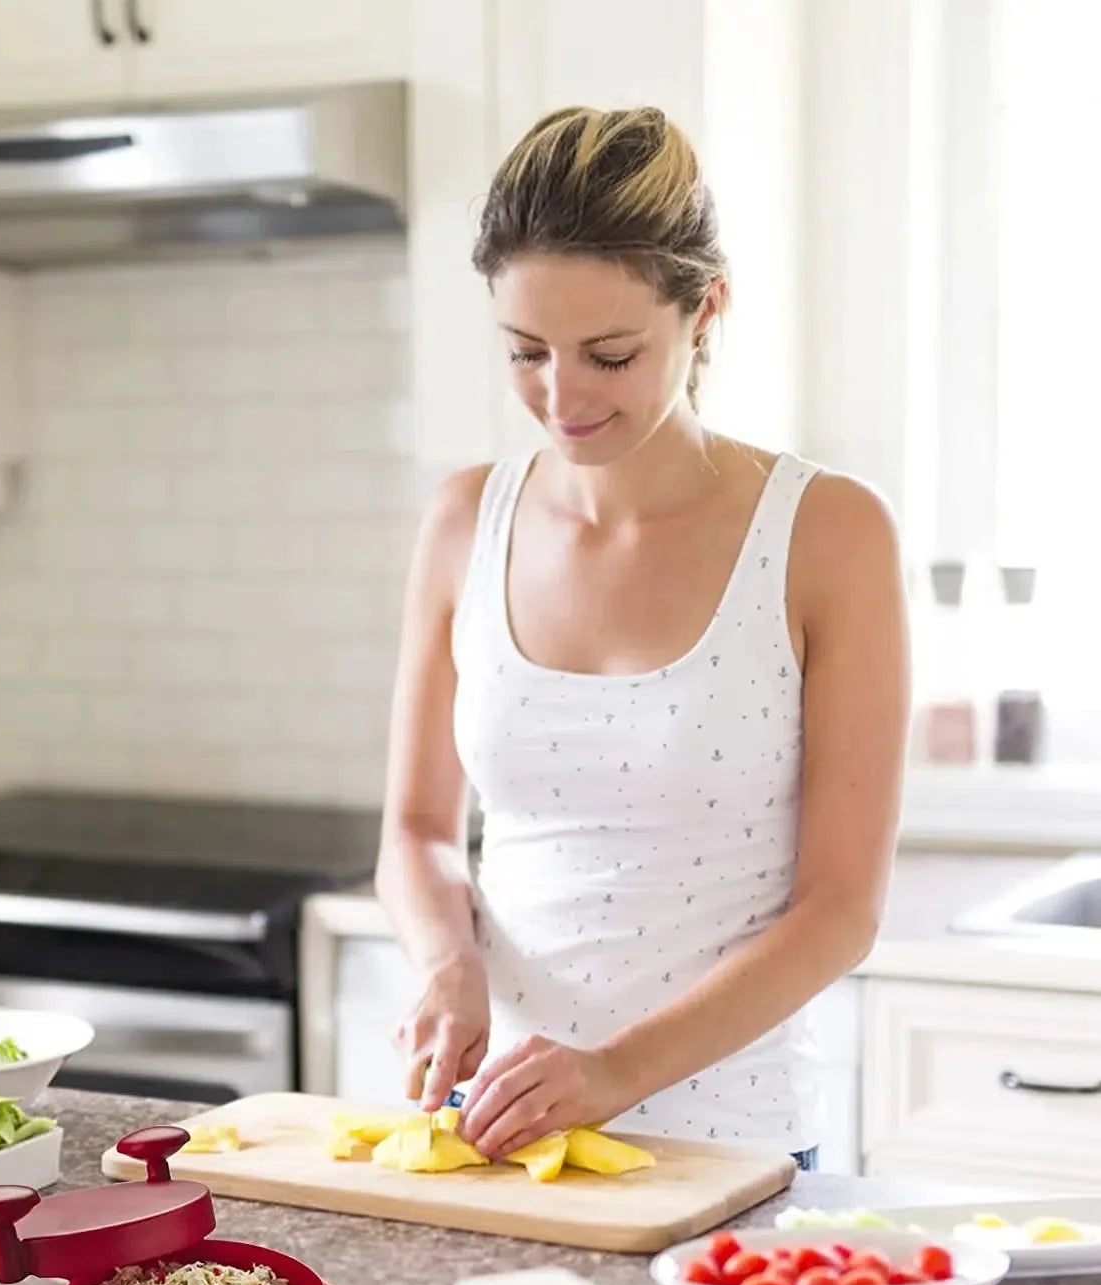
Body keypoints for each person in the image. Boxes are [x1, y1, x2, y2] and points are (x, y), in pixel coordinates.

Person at [374, 105, 908, 1170]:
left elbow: (840, 910)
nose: (560, 398)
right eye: (525, 352)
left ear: (705, 308)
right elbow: (419, 830)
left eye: (610, 356)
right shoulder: (463, 521)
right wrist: (447, 963)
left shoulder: (827, 534)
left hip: (735, 1155)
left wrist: (613, 1071)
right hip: (507, 1139)